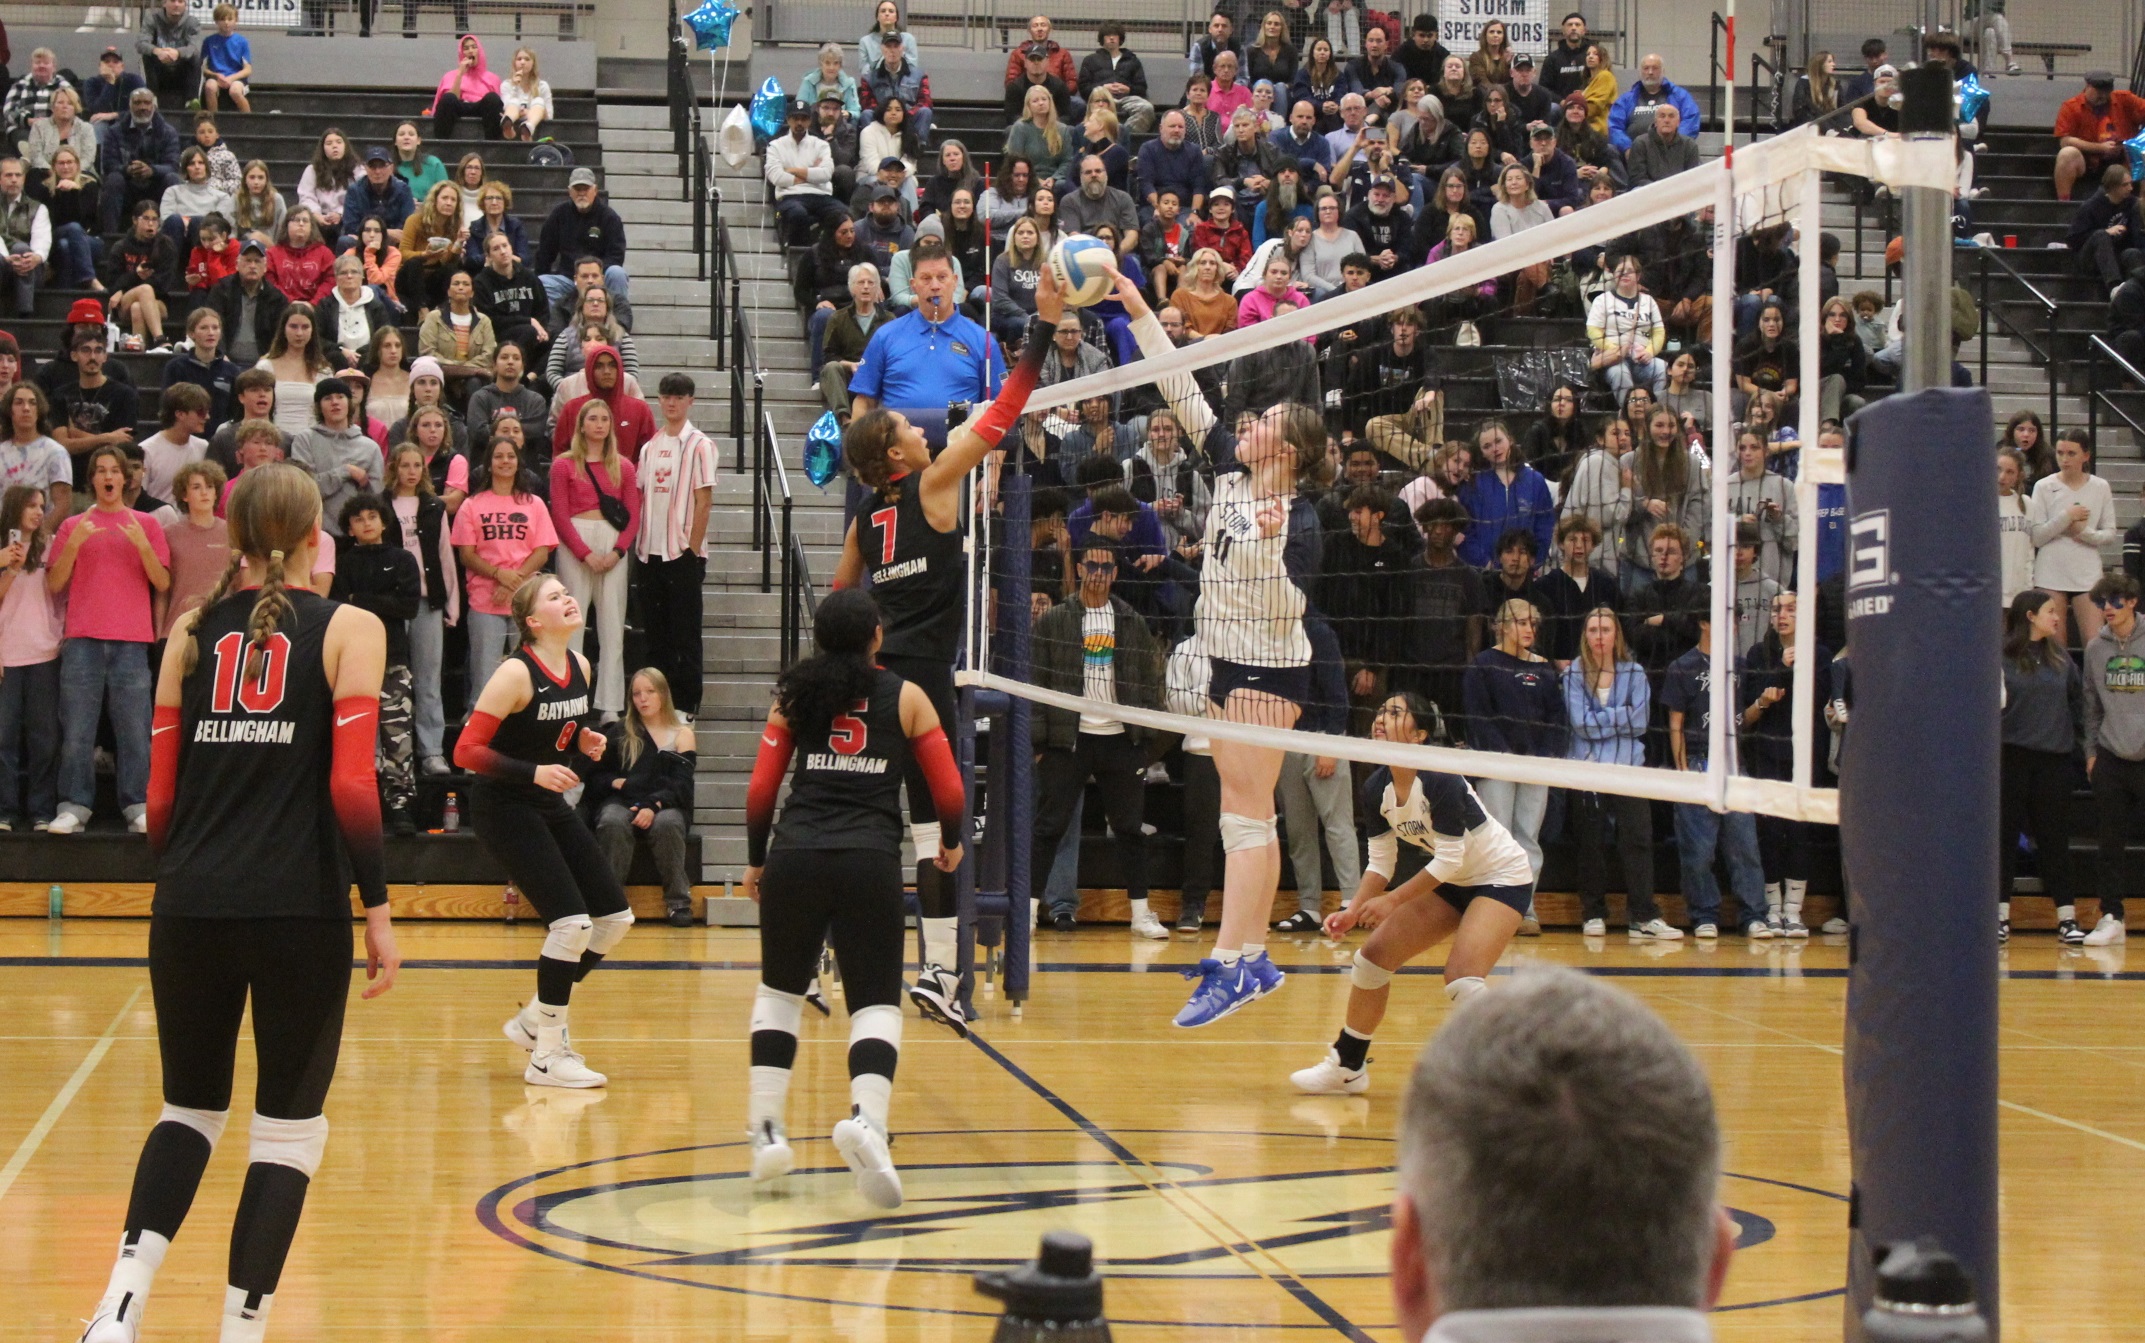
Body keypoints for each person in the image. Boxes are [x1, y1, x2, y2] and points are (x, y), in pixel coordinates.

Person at [75, 462, 396, 1343]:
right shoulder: (351, 627)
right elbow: (353, 785)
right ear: (313, 538)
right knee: (288, 1133)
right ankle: (238, 1329)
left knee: (188, 1110)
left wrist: (182, 877)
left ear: (238, 537)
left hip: (190, 904)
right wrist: (377, 906)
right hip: (300, 908)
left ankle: (119, 1308)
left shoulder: (188, 630)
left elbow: (161, 798)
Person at [741, 586, 965, 1206]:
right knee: (874, 1004)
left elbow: (761, 791)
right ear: (877, 637)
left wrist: (757, 862)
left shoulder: (794, 694)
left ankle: (766, 1133)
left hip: (796, 855)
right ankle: (867, 1123)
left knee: (780, 994)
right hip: (869, 861)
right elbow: (948, 792)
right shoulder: (909, 696)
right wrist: (949, 844)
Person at [1172, 391, 1331, 1027]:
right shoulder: (1232, 476)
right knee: (1255, 816)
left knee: (1240, 819)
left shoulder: (1303, 519)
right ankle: (1256, 957)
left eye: (1264, 421)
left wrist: (1268, 545)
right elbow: (1181, 395)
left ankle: (1228, 965)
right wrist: (1133, 305)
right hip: (1225, 659)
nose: (1250, 423)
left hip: (1268, 670)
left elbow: (1291, 609)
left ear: (1286, 450)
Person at [1289, 691, 1534, 1094]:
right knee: (1371, 960)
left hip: (1500, 876)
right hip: (1453, 880)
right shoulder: (1376, 788)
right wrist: (1355, 908)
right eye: (1382, 710)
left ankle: (1513, 1073)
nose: (1382, 718)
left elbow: (1449, 859)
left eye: (1396, 712)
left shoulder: (1439, 777)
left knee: (1461, 980)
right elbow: (1381, 861)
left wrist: (1391, 901)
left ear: (1420, 734)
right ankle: (1347, 1067)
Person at [457, 574, 630, 1088]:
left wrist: (585, 741)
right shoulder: (515, 672)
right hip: (503, 804)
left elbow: (559, 734)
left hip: (545, 800)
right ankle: (546, 1056)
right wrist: (533, 772)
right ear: (533, 622)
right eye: (555, 596)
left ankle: (536, 1017)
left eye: (565, 591)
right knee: (571, 924)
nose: (569, 598)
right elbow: (465, 752)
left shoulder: (579, 664)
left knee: (614, 918)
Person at [1030, 536, 1165, 934]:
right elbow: (1037, 682)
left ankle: (1141, 914)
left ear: (1116, 574)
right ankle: (1028, 912)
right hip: (1069, 740)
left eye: (1107, 568)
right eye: (1093, 566)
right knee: (1049, 827)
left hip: (1120, 740)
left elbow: (1149, 684)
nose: (1099, 575)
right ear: (1080, 569)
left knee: (1129, 828)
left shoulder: (1130, 621)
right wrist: (1040, 744)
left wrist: (1142, 741)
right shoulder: (1056, 620)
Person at [44, 444, 171, 834]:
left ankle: (137, 805)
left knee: (134, 729)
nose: (107, 476)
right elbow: (54, 584)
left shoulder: (146, 525)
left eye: (114, 470)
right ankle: (74, 806)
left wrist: (142, 546)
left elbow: (163, 582)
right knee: (78, 731)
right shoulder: (72, 526)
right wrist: (77, 542)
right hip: (82, 639)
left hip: (131, 640)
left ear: (124, 478)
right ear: (93, 480)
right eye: (100, 470)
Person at [1562, 607, 1678, 938]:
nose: (1599, 636)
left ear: (1617, 635)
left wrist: (1604, 718)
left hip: (1628, 768)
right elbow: (1580, 725)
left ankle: (1643, 916)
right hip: (1587, 769)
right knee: (1590, 842)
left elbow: (1640, 722)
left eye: (1606, 630)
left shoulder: (1635, 673)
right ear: (1586, 635)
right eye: (1593, 630)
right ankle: (1593, 913)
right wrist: (1619, 715)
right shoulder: (1573, 674)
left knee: (1639, 839)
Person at [1660, 604, 1765, 937]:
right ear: (1704, 622)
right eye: (1725, 618)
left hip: (1734, 765)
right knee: (1698, 849)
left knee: (1744, 846)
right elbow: (1674, 722)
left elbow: (1740, 720)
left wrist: (1761, 704)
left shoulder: (1740, 666)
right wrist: (1683, 772)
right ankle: (1704, 914)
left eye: (1735, 619)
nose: (1732, 625)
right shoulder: (1683, 666)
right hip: (1697, 763)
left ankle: (1754, 916)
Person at [1736, 590, 1830, 937]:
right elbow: (1750, 711)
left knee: (1800, 831)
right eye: (1777, 609)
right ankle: (1772, 908)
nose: (1783, 614)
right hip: (1767, 752)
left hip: (1804, 756)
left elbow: (1821, 701)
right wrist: (1780, 669)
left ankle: (1794, 910)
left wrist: (1799, 666)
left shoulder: (1819, 654)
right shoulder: (1758, 655)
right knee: (1771, 831)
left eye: (1791, 608)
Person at [327, 490, 419, 835]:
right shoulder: (344, 561)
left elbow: (407, 606)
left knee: (398, 737)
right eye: (358, 519)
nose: (366, 524)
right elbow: (339, 607)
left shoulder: (403, 559)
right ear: (349, 528)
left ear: (384, 521)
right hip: (352, 663)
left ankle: (400, 806)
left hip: (394, 659)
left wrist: (361, 599)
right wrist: (381, 601)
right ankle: (356, 807)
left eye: (372, 517)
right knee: (355, 740)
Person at [2001, 589, 2085, 946]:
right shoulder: (2001, 659)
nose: (2057, 616)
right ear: (2030, 615)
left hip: (2054, 761)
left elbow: (2077, 707)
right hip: (2011, 759)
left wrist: (2080, 751)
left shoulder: (2062, 660)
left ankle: (2066, 918)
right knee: (2003, 841)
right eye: (2051, 611)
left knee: (2054, 841)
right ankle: (1999, 917)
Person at [634, 375, 715, 719]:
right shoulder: (650, 446)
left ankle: (686, 705)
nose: (671, 403)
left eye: (679, 397)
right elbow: (640, 494)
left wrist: (691, 551)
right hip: (648, 552)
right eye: (666, 396)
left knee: (685, 635)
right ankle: (655, 705)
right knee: (656, 636)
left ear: (690, 401)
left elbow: (704, 501)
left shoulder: (700, 444)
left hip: (681, 553)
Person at [591, 667, 696, 926]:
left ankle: (678, 902)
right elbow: (594, 777)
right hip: (623, 800)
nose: (643, 699)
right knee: (612, 820)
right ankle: (611, 903)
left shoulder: (682, 734)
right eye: (637, 693)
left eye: (650, 692)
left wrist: (653, 804)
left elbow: (681, 784)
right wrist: (614, 781)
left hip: (666, 803)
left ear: (663, 694)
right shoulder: (618, 732)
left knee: (667, 823)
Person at [0, 483, 61, 831]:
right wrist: (9, 568)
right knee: (4, 738)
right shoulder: (3, 550)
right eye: (32, 506)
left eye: (42, 505)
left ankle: (41, 809)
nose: (39, 512)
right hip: (7, 652)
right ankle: (5, 810)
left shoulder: (51, 548)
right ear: (15, 508)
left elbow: (59, 593)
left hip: (43, 652)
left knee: (45, 737)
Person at [2032, 430, 2118, 647]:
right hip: (2050, 572)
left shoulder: (2100, 487)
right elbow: (2037, 536)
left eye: (2071, 453)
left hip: (2086, 574)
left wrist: (2082, 532)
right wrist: (2065, 517)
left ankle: (2091, 682)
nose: (2064, 459)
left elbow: (2109, 533)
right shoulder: (2043, 486)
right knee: (2054, 646)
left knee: (2094, 642)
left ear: (2086, 456)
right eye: (2060, 453)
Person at [534, 167, 630, 321]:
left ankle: (617, 325)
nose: (581, 193)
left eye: (585, 188)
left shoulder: (609, 217)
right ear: (569, 191)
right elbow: (545, 253)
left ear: (595, 190)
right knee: (541, 283)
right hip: (569, 279)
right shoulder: (558, 215)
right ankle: (557, 329)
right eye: (577, 189)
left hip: (600, 278)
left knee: (617, 273)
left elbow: (616, 255)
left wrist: (594, 275)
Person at [99, 87, 179, 236]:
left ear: (153, 106)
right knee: (113, 179)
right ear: (130, 106)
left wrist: (152, 170)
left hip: (156, 187)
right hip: (127, 187)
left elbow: (173, 165)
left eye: (147, 103)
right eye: (137, 103)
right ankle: (110, 236)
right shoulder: (114, 132)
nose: (142, 107)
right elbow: (109, 165)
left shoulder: (169, 132)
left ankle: (170, 235)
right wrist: (128, 170)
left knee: (173, 179)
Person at [2055, 71, 2145, 202]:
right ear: (2088, 86)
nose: (2103, 96)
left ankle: (2142, 207)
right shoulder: (2071, 106)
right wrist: (2100, 148)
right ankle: (2063, 202)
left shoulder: (2124, 99)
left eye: (2106, 92)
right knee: (2067, 154)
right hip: (2089, 162)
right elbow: (2065, 141)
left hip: (2125, 162)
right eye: (2099, 92)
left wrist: (2137, 143)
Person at [1587, 255, 1667, 398]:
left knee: (1662, 368)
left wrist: (1649, 351)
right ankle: (1627, 412)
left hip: (1641, 358)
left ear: (1638, 276)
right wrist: (1613, 348)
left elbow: (1659, 332)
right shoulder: (1602, 300)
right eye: (1620, 270)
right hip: (1613, 359)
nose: (1624, 274)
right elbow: (1593, 330)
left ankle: (1655, 412)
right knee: (1620, 373)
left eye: (1629, 270)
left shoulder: (1648, 301)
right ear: (1613, 275)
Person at [1608, 53, 1701, 152]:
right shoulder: (1625, 100)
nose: (1650, 72)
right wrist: (1627, 147)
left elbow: (1691, 120)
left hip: (1671, 153)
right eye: (1646, 68)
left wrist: (1675, 144)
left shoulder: (1680, 96)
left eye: (1655, 68)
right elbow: (1614, 127)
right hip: (1634, 155)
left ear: (1663, 71)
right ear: (1640, 72)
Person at [1079, 22, 1154, 133]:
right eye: (1108, 35)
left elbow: (1142, 88)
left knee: (1147, 108)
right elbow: (1083, 88)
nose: (1112, 38)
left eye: (1115, 35)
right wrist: (1103, 88)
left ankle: (1124, 134)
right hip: (1101, 99)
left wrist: (1128, 89)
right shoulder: (1090, 60)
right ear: (1102, 39)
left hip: (1126, 99)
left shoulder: (1132, 60)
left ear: (1120, 38)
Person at [135, 0, 201, 108]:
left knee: (195, 57)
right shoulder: (152, 18)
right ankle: (153, 98)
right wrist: (158, 51)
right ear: (164, 4)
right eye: (172, 1)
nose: (176, 5)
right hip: (159, 68)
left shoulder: (192, 22)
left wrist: (177, 53)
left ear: (185, 5)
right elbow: (140, 43)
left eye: (180, 1)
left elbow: (194, 47)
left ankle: (191, 100)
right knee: (147, 55)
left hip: (181, 70)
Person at [198, 3, 251, 112]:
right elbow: (203, 68)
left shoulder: (242, 42)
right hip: (216, 77)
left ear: (236, 21)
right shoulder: (209, 41)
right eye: (222, 19)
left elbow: (248, 69)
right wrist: (216, 75)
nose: (226, 23)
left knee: (235, 91)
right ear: (216, 21)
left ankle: (249, 119)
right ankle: (214, 120)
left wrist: (231, 78)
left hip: (236, 78)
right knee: (209, 87)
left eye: (230, 19)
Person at [499, 47, 553, 142]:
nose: (523, 62)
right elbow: (506, 106)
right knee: (513, 101)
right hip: (514, 122)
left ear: (533, 63)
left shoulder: (543, 86)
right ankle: (508, 127)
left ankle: (528, 127)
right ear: (514, 63)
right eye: (519, 59)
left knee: (538, 100)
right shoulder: (506, 85)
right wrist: (515, 87)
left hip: (538, 128)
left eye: (527, 59)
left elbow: (549, 116)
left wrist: (530, 113)